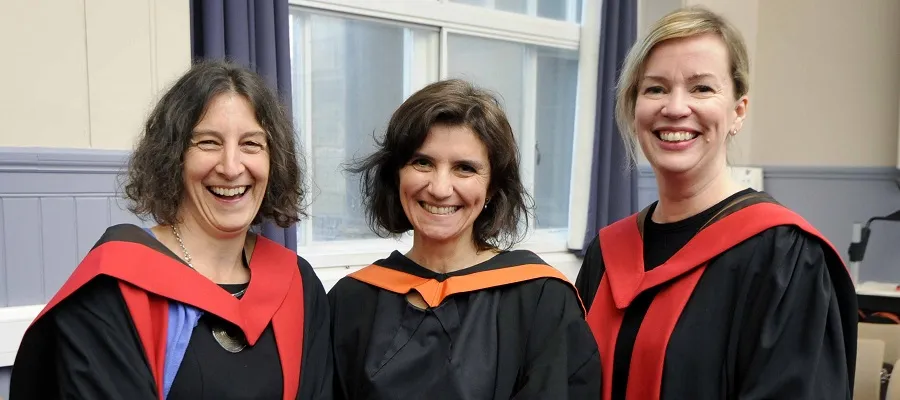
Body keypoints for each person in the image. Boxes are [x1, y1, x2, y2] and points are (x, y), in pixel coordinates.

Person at [575, 6, 858, 400]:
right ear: (634, 106)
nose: (675, 108)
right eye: (655, 88)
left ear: (738, 112)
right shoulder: (607, 255)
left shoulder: (784, 256)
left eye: (702, 88)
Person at [10, 60, 332, 399]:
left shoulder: (297, 284)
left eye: (251, 144)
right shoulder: (114, 288)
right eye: (208, 142)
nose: (231, 167)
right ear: (173, 156)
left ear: (273, 161)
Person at [330, 79, 600, 399]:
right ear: (396, 175)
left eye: (465, 168)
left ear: (492, 188)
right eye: (422, 162)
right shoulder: (351, 301)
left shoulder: (541, 299)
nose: (440, 188)